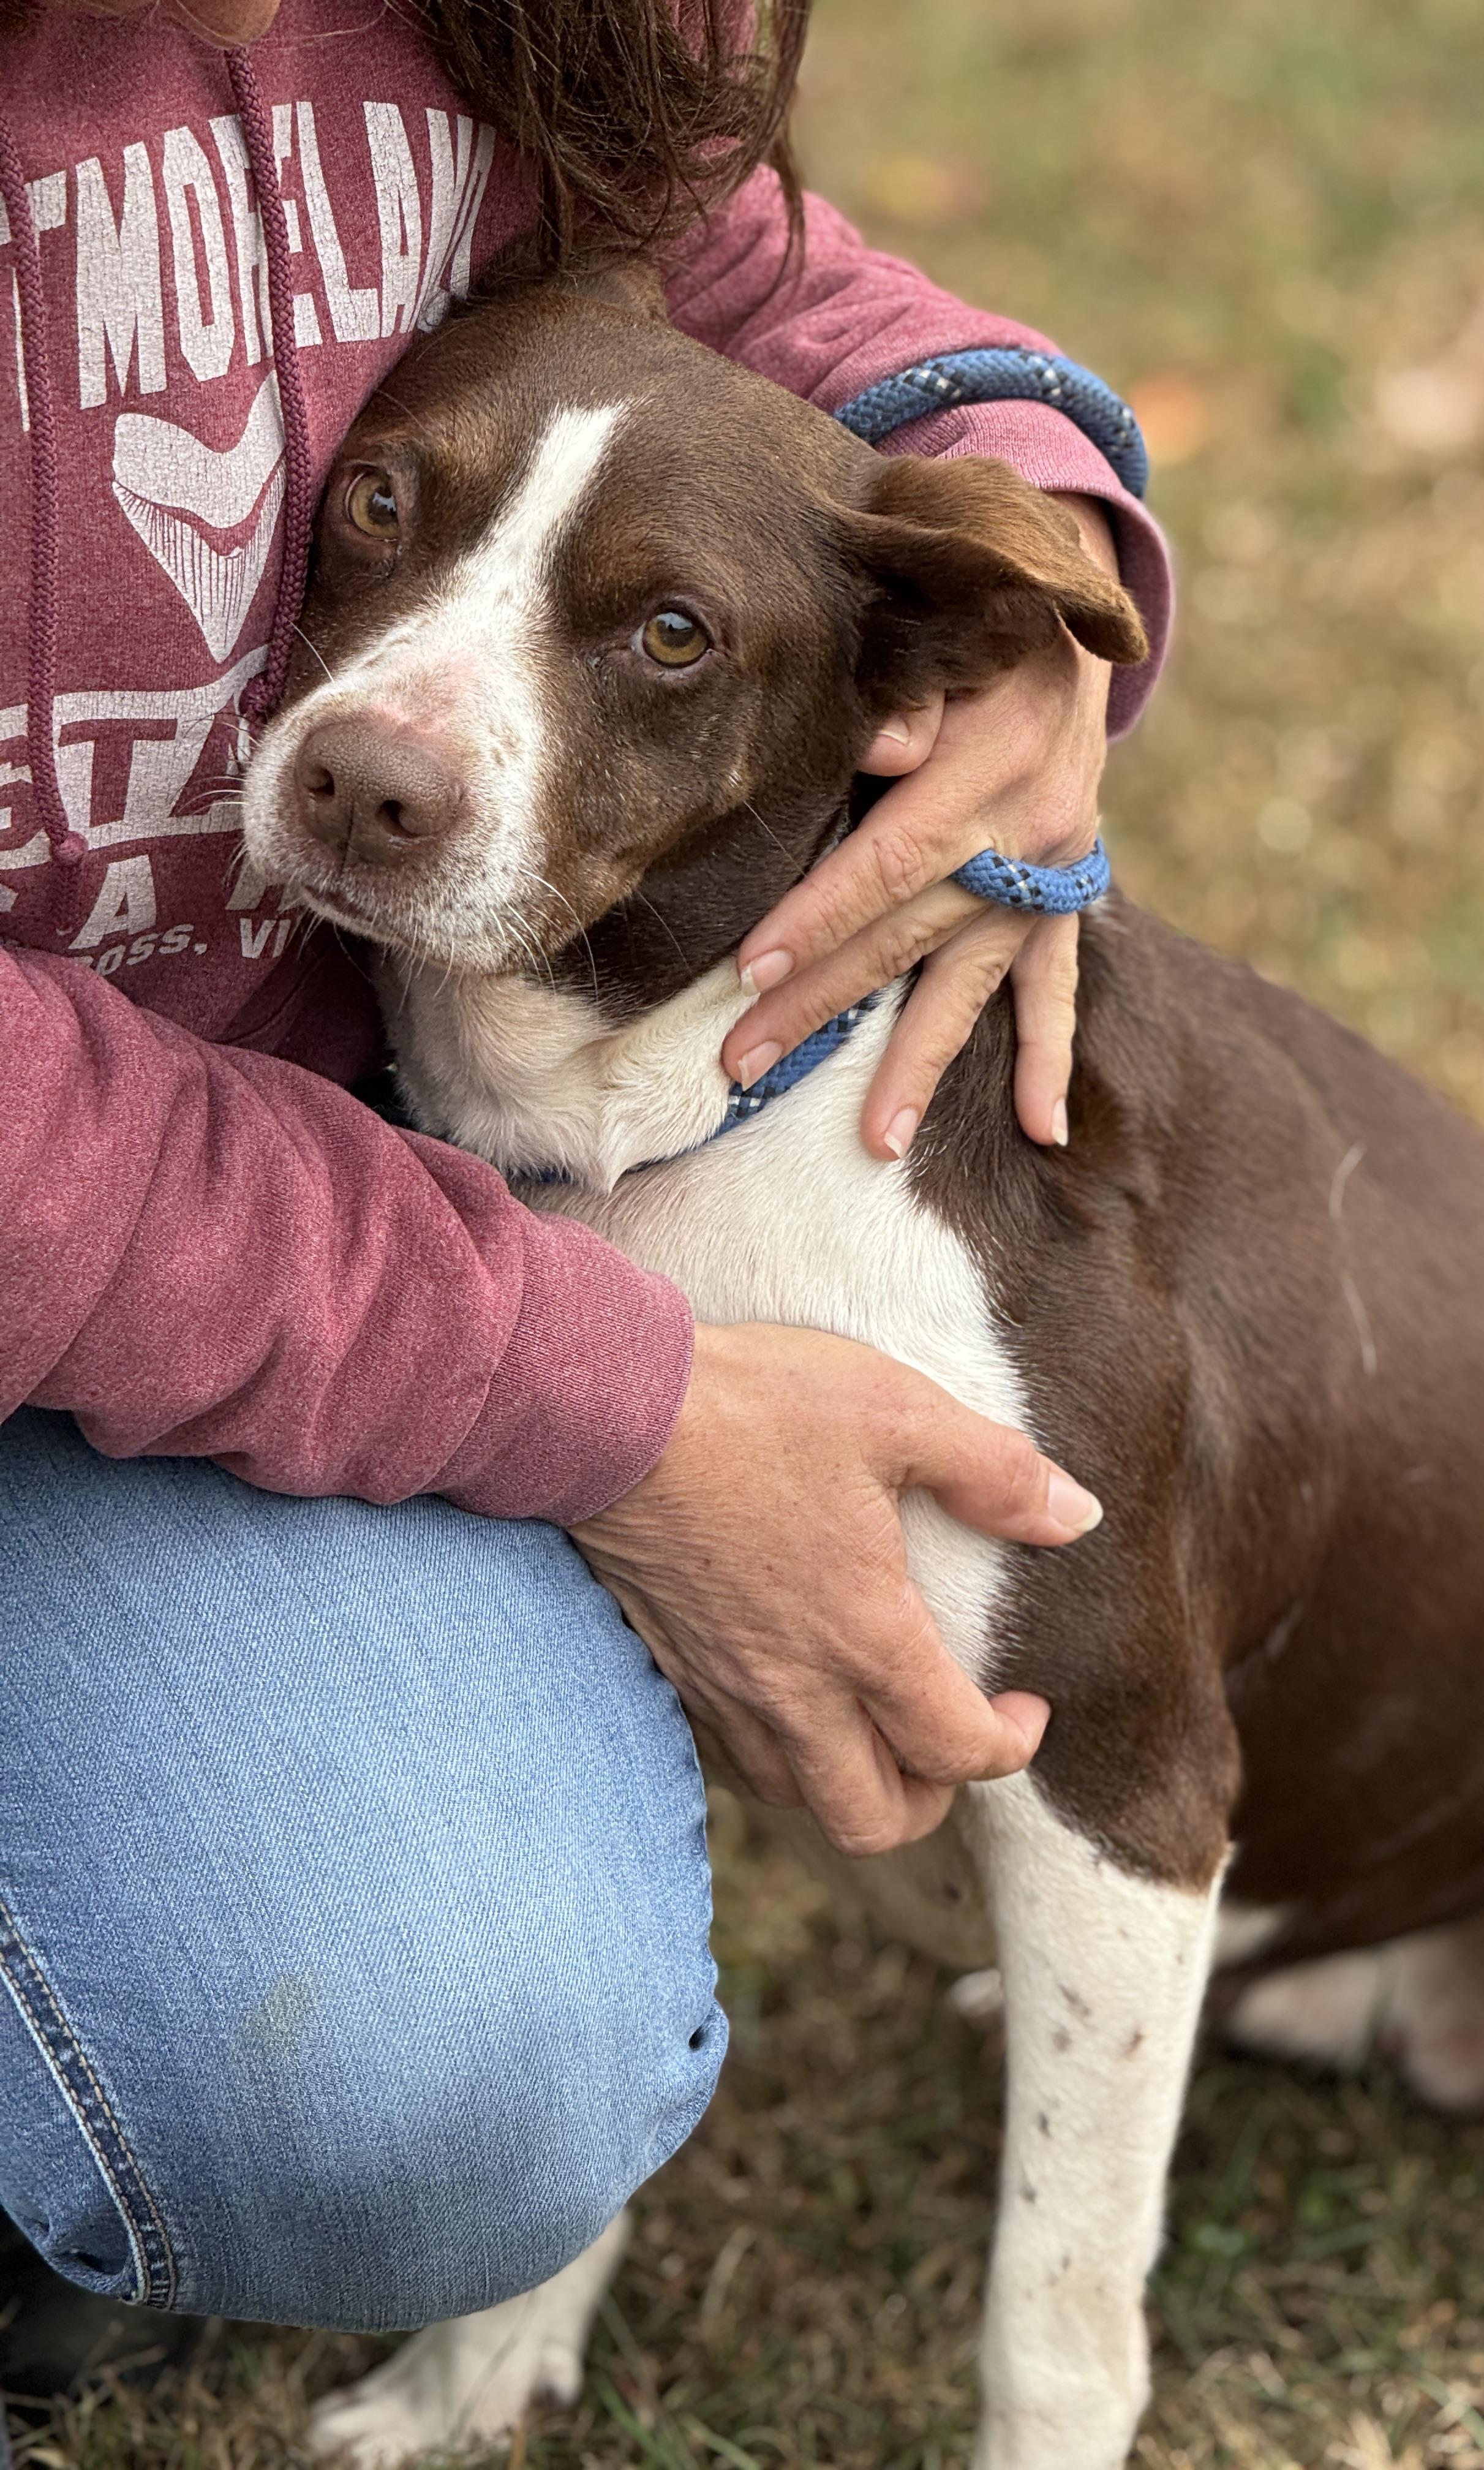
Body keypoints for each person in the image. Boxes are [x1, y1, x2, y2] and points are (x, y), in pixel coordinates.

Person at [0, 0, 1173, 2401]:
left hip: (254, 1247)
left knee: (444, 2063)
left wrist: (1012, 537)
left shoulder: (493, 17)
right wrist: (600, 1400)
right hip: (227, 1213)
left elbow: (716, 287)